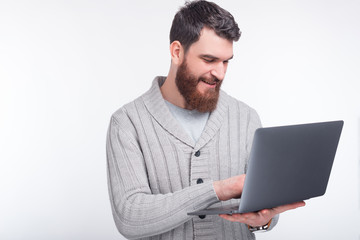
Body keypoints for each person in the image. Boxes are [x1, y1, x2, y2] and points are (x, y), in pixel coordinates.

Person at [106, 1, 305, 239]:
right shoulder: (128, 123)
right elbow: (129, 218)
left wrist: (263, 219)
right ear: (177, 52)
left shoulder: (246, 117)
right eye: (209, 60)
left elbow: (262, 205)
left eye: (226, 61)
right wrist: (218, 190)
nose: (220, 73)